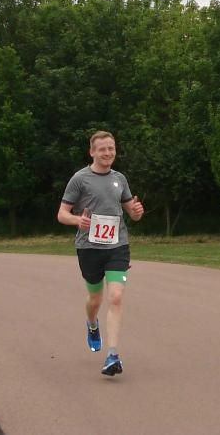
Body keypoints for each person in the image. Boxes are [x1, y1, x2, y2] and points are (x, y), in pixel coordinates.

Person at [57, 131, 144, 376]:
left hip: (117, 246)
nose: (108, 153)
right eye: (102, 149)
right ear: (92, 152)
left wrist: (136, 212)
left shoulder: (120, 179)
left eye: (111, 148)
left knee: (115, 297)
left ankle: (112, 355)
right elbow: (61, 214)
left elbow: (132, 212)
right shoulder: (79, 179)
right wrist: (77, 220)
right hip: (89, 248)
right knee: (95, 299)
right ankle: (92, 324)